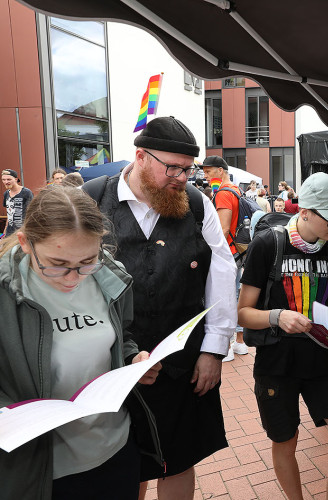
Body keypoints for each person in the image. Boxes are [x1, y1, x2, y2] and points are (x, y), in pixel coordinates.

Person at [83, 117, 237, 500]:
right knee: (123, 463)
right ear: (139, 156)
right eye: (173, 167)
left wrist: (214, 349)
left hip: (181, 364)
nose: (183, 178)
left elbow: (222, 274)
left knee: (179, 459)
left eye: (188, 169)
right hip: (112, 363)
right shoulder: (89, 199)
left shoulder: (198, 207)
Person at [0, 186, 162, 500]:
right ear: (25, 242)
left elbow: (120, 337)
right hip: (40, 470)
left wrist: (132, 361)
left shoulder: (109, 277)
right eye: (57, 264)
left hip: (114, 451)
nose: (73, 278)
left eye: (87, 262)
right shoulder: (6, 295)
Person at [238, 173, 328, 500]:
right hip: (276, 366)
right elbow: (242, 313)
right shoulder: (267, 244)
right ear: (306, 211)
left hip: (324, 362)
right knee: (285, 441)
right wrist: (277, 317)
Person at [198, 155, 250, 360]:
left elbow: (223, 228)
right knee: (234, 293)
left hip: (226, 252)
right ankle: (238, 342)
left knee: (223, 296)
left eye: (208, 171)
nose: (206, 175)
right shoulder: (236, 190)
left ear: (220, 171)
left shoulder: (223, 194)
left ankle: (227, 346)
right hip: (236, 251)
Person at [2, 169, 33, 237]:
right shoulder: (6, 194)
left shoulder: (26, 192)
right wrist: (5, 230)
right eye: (3, 180)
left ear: (16, 179)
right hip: (9, 232)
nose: (6, 182)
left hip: (22, 232)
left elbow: (32, 212)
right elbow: (9, 214)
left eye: (9, 179)